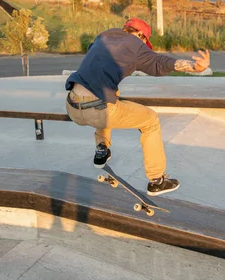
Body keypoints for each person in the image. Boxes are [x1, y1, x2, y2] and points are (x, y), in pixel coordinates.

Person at [65, 18, 210, 196]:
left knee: (112, 94)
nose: (143, 46)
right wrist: (194, 66)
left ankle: (101, 148)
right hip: (98, 110)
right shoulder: (135, 44)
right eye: (144, 42)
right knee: (150, 120)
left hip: (72, 106)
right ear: (140, 35)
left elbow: (95, 58)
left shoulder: (105, 35)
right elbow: (160, 62)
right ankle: (157, 180)